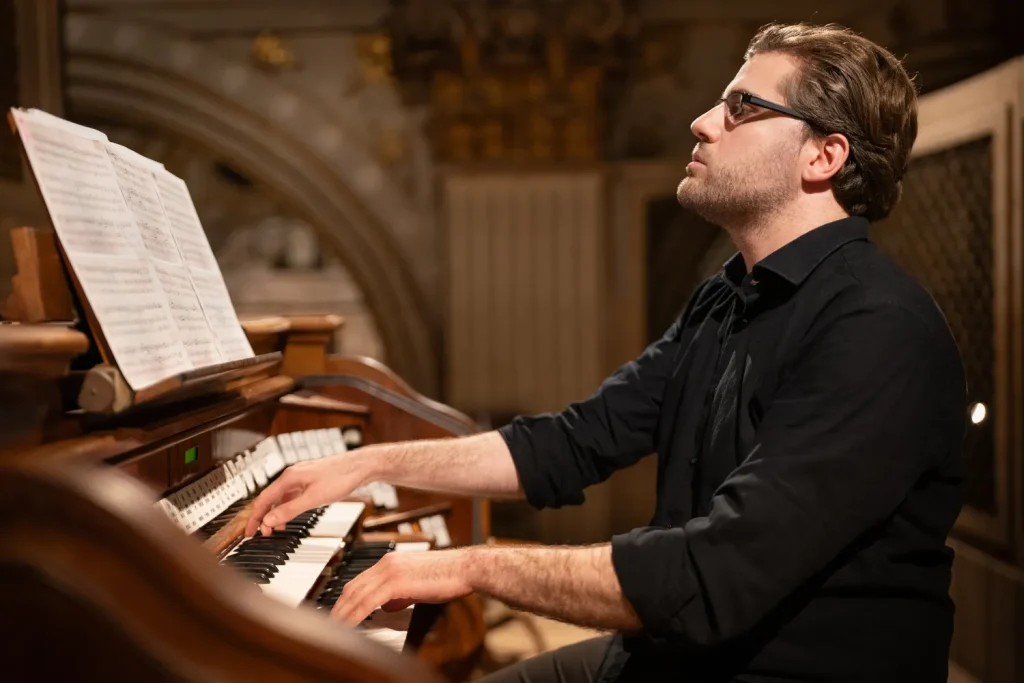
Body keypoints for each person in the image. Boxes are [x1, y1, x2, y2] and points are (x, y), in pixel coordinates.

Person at [245, 22, 967, 683]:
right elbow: (569, 444)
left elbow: (712, 574)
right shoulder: (727, 296)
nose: (702, 121)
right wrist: (367, 462)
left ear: (824, 154)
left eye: (742, 107)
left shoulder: (875, 327)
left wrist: (468, 565)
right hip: (677, 653)